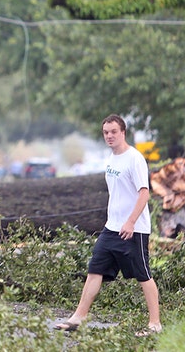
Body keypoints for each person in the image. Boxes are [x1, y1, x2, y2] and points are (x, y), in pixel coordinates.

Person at [54, 114, 162, 336]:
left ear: (123, 132)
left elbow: (144, 193)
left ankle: (155, 324)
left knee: (143, 275)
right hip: (111, 228)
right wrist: (114, 221)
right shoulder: (112, 159)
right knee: (95, 270)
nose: (110, 136)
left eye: (114, 131)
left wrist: (131, 222)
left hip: (134, 230)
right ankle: (78, 318)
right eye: (106, 132)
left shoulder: (135, 159)